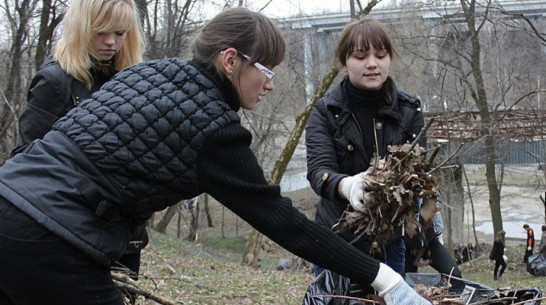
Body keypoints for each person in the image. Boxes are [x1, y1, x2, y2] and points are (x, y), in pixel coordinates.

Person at [0, 7, 431, 305]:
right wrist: (386, 279)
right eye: (265, 71)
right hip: (48, 239)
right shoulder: (214, 131)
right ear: (230, 61)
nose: (271, 85)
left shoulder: (149, 72)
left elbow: (111, 177)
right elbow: (283, 223)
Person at [10, 0, 147, 303]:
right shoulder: (55, 80)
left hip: (121, 235)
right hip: (67, 234)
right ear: (81, 28)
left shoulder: (131, 81)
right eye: (101, 32)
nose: (111, 42)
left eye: (120, 33)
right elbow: (23, 161)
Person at [305, 17, 426, 277]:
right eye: (360, 57)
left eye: (380, 55)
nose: (372, 64)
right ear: (344, 63)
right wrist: (346, 186)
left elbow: (419, 171)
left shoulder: (409, 109)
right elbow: (318, 171)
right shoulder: (326, 111)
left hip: (389, 243)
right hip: (334, 240)